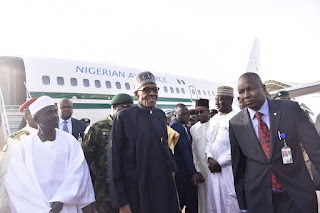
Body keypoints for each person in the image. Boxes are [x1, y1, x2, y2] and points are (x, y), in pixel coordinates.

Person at [229, 72, 320, 213]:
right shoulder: (236, 124)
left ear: (263, 88)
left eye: (251, 89)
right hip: (260, 200)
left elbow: (315, 150)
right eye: (241, 92)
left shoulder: (290, 109)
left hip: (296, 196)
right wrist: (243, 205)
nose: (246, 95)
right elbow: (238, 168)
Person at [5, 96, 95, 212]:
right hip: (34, 207)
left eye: (54, 111)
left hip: (66, 206)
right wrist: (42, 207)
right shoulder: (23, 147)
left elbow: (78, 172)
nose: (55, 116)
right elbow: (17, 182)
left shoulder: (70, 142)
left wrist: (62, 198)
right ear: (36, 118)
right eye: (49, 113)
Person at [108, 71, 179, 213]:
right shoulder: (124, 117)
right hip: (137, 193)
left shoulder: (159, 115)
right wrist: (122, 203)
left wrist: (172, 169)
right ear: (137, 94)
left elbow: (165, 147)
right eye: (146, 90)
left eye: (155, 90)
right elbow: (114, 161)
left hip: (162, 189)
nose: (152, 93)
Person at [82, 93, 133, 213]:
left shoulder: (132, 128)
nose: (129, 112)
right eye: (126, 108)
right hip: (105, 191)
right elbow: (85, 162)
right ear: (114, 107)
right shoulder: (96, 128)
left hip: (129, 189)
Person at [0, 97, 38, 213]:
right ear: (26, 117)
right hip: (27, 201)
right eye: (37, 113)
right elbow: (5, 176)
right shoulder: (16, 140)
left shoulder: (59, 136)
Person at [205, 87, 240, 213]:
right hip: (214, 170)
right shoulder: (213, 119)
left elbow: (238, 147)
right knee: (215, 202)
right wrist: (209, 158)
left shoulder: (237, 118)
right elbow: (209, 142)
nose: (217, 103)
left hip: (228, 170)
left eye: (221, 100)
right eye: (216, 99)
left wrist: (220, 163)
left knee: (230, 203)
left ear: (230, 100)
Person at [170, 103, 204, 213]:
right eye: (182, 114)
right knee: (190, 204)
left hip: (183, 174)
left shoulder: (183, 127)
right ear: (175, 115)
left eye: (187, 114)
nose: (186, 116)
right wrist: (193, 173)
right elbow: (185, 153)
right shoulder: (176, 127)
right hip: (183, 175)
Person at [190, 99, 211, 213]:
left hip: (215, 169)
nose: (198, 115)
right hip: (201, 170)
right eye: (196, 112)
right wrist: (198, 171)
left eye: (202, 111)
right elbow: (194, 151)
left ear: (208, 111)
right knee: (203, 200)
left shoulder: (214, 124)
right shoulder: (193, 128)